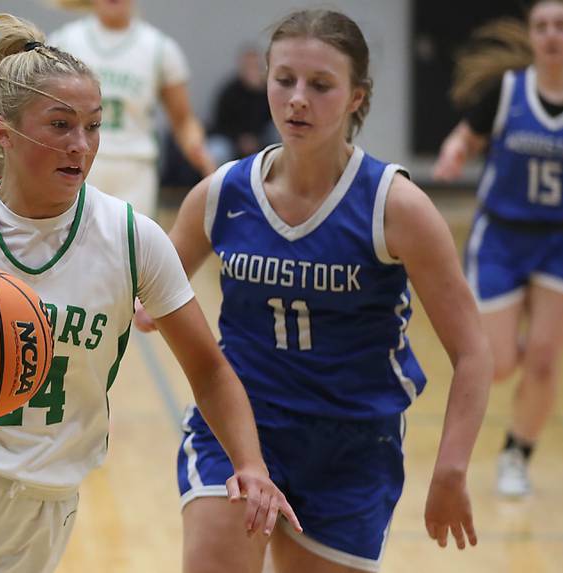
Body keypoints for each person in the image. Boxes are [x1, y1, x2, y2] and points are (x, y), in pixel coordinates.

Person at [0, 14, 299, 573]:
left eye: (92, 126)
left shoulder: (132, 238)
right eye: (60, 125)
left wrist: (250, 464)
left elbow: (208, 368)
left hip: (43, 502)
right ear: (4, 132)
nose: (81, 145)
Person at [136, 9, 492, 572]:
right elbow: (146, 296)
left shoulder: (394, 206)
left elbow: (472, 352)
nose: (298, 98)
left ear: (356, 97)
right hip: (238, 425)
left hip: (350, 444)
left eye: (321, 85)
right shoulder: (222, 193)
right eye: (285, 80)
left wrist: (451, 468)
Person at [433, 0, 563, 497]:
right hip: (501, 237)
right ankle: (516, 333)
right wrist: (454, 153)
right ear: (532, 36)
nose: (551, 35)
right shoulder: (507, 91)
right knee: (497, 364)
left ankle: (517, 453)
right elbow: (467, 136)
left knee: (543, 359)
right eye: (542, 26)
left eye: (562, 25)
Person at [48, 0, 216, 218]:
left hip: (135, 169)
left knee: (130, 249)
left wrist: (201, 155)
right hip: (75, 161)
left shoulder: (160, 48)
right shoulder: (63, 41)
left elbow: (183, 120)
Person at [207, 45, 276, 167]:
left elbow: (275, 120)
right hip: (232, 141)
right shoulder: (229, 91)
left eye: (256, 66)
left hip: (262, 139)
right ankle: (217, 183)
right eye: (248, 67)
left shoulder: (269, 91)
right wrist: (240, 139)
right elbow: (220, 124)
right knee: (217, 150)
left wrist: (256, 139)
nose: (252, 71)